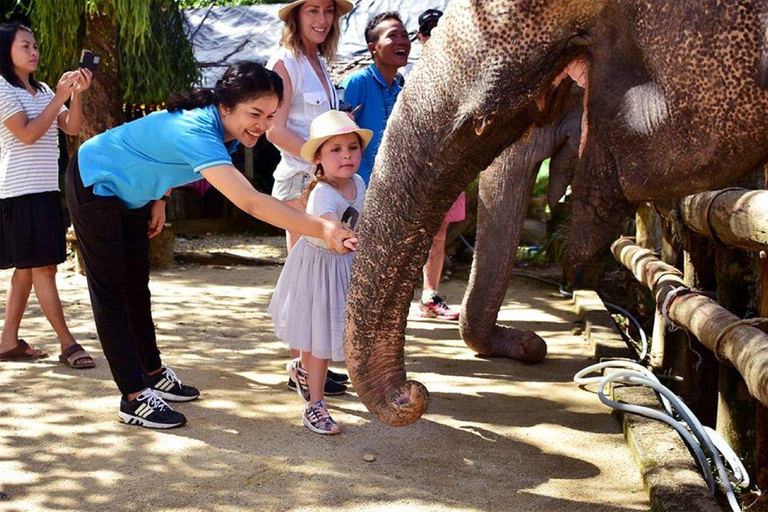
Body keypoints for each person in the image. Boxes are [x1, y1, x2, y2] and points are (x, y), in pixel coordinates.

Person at [66, 61, 357, 430]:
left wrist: (160, 197)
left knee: (137, 288)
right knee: (111, 293)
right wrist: (323, 229)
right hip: (96, 180)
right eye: (255, 114)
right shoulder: (199, 130)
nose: (264, 125)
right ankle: (133, 397)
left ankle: (152, 372)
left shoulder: (225, 132)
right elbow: (250, 202)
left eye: (270, 115)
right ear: (225, 107)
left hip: (136, 194)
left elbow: (160, 154)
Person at [341, 11, 461, 320]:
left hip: (399, 186)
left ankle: (408, 302)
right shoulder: (357, 82)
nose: (401, 41)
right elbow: (345, 132)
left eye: (403, 35)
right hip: (363, 184)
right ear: (372, 47)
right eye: (391, 36)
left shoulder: (402, 86)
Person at [266, 0, 353, 396]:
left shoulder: (321, 63)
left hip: (322, 185)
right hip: (299, 186)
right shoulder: (285, 62)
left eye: (328, 11)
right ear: (296, 16)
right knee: (307, 282)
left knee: (322, 281)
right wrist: (320, 159)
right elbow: (275, 131)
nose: (321, 20)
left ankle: (308, 364)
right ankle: (301, 369)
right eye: (312, 11)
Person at [268, 110, 371, 435]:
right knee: (320, 337)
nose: (346, 156)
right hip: (318, 269)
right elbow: (329, 222)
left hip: (343, 265)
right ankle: (315, 404)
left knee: (333, 331)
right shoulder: (323, 192)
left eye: (352, 148)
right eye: (336, 150)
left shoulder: (358, 182)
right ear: (319, 159)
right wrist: (339, 232)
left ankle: (302, 370)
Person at [0, 22, 96, 368]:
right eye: (25, 46)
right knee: (43, 268)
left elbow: (72, 127)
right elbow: (26, 134)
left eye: (35, 45)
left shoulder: (40, 89)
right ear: (6, 51)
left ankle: (8, 341)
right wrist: (59, 96)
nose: (34, 51)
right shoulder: (2, 89)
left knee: (27, 269)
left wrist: (76, 93)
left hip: (43, 190)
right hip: (19, 191)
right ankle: (68, 343)